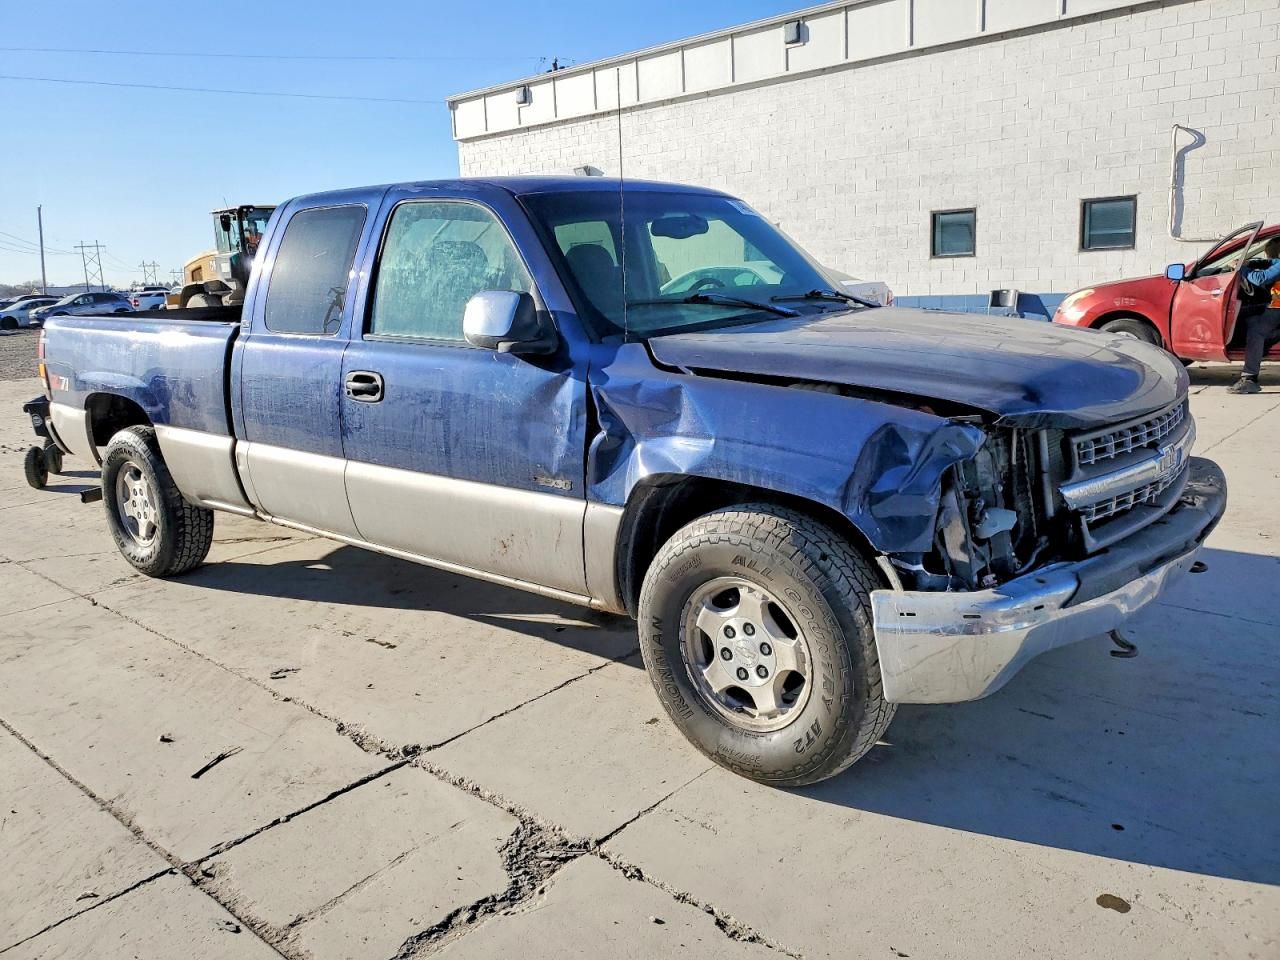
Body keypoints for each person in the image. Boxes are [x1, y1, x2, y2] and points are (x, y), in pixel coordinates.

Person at [1228, 237, 1280, 395]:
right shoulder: (1277, 262)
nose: (1268, 257)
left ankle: (1250, 378)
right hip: (1275, 306)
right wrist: (1249, 263)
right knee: (1242, 313)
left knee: (1256, 329)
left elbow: (1260, 278)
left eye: (1268, 253)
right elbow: (1269, 264)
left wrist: (1241, 268)